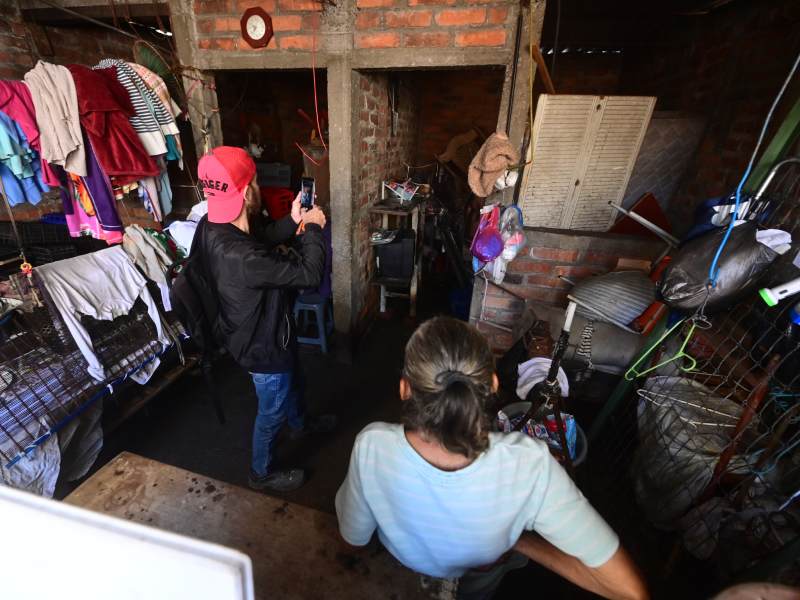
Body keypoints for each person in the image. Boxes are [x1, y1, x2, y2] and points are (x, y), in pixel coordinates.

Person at [335, 317, 648, 600]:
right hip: (476, 585)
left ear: (404, 389)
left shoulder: (371, 446)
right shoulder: (531, 466)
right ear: (494, 385)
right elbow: (628, 590)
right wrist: (518, 542)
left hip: (401, 574)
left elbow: (354, 539)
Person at [188, 145, 331, 493]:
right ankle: (261, 472)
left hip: (264, 330)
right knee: (271, 413)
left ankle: (302, 424)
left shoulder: (213, 226)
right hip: (263, 346)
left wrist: (294, 219)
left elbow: (259, 239)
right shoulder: (244, 257)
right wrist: (312, 229)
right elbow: (310, 273)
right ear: (249, 189)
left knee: (293, 382)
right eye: (254, 181)